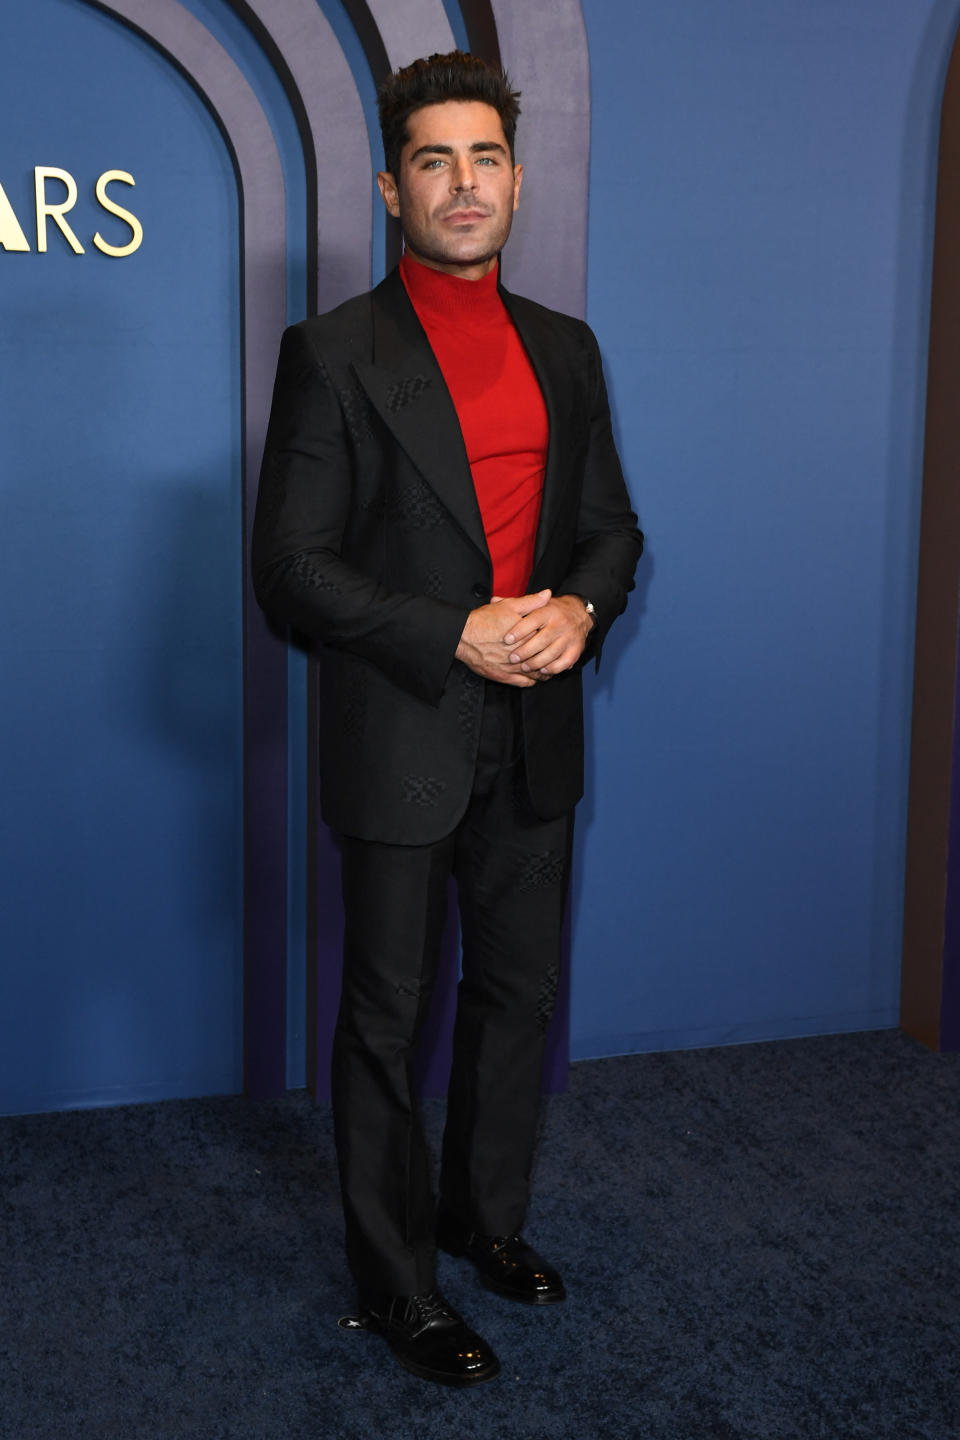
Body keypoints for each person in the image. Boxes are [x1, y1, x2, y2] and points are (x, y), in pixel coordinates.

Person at [252, 50, 643, 1387]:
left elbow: (609, 530)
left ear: (516, 182)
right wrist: (455, 628)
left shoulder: (566, 349)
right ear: (392, 186)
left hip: (537, 734)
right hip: (403, 730)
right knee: (388, 1015)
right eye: (435, 160)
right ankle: (398, 1282)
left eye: (484, 159)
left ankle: (487, 1224)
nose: (463, 184)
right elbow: (291, 568)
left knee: (519, 994)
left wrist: (581, 612)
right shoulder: (334, 354)